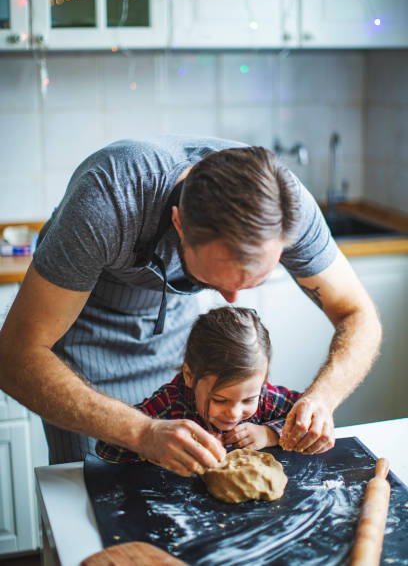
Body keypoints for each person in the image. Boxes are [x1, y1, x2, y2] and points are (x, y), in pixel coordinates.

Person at [0, 135, 381, 474]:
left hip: (172, 339)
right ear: (179, 224)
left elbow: (359, 314)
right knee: (97, 494)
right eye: (215, 280)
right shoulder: (109, 198)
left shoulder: (284, 204)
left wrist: (322, 400)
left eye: (253, 282)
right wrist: (141, 431)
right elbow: (15, 357)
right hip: (80, 345)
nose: (232, 299)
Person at [96, 306, 301, 465]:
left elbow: (308, 414)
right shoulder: (171, 402)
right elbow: (107, 449)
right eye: (220, 400)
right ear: (189, 377)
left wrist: (268, 434)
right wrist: (154, 441)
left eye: (248, 400)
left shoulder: (264, 397)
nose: (234, 413)